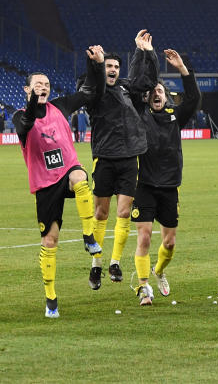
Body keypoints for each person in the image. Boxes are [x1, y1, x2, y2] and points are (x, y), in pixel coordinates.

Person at [14, 46, 104, 317]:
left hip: (66, 174)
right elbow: (27, 121)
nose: (44, 87)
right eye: (38, 85)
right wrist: (34, 102)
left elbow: (90, 92)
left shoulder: (60, 106)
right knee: (50, 241)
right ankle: (51, 297)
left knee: (79, 176)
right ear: (27, 90)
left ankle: (89, 236)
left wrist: (95, 65)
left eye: (47, 84)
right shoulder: (20, 116)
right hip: (45, 185)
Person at [87, 30, 158, 288]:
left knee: (124, 211)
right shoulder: (94, 90)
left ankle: (115, 261)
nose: (113, 69)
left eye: (116, 66)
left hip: (129, 159)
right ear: (101, 68)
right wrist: (95, 64)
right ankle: (96, 263)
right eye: (108, 66)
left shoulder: (127, 89)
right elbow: (93, 84)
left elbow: (147, 80)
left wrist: (144, 52)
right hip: (105, 158)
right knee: (100, 212)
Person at [129, 49, 200, 306]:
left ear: (167, 96)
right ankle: (143, 286)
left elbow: (193, 98)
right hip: (144, 186)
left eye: (161, 91)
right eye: (152, 92)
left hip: (170, 187)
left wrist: (183, 69)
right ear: (147, 98)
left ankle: (158, 271)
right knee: (145, 236)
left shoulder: (174, 117)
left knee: (169, 243)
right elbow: (136, 88)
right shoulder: (139, 115)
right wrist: (144, 54)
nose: (156, 94)